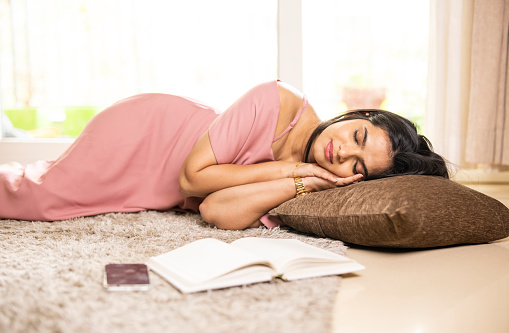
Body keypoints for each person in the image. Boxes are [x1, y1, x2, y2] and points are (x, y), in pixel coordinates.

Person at [0, 80, 448, 228]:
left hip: (157, 185)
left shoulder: (317, 185)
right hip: (146, 132)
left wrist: (302, 181)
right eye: (359, 135)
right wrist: (293, 167)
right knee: (37, 199)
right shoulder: (279, 100)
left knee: (43, 185)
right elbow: (193, 180)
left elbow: (215, 209)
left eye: (357, 166)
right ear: (360, 114)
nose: (342, 152)